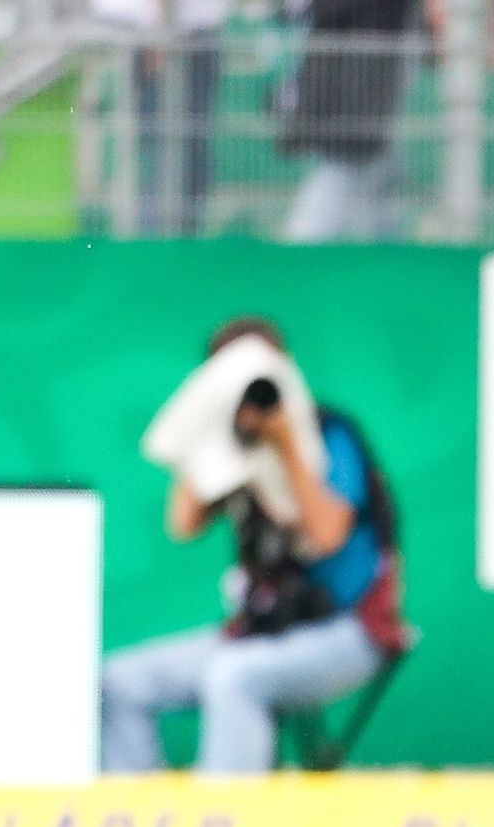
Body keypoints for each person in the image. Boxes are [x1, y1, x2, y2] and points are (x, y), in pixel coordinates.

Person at [102, 318, 409, 772]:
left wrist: (285, 444)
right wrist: (206, 429)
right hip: (260, 630)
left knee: (234, 678)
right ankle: (136, 812)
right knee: (119, 682)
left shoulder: (331, 433)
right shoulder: (228, 449)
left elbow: (327, 536)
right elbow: (183, 525)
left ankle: (227, 815)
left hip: (347, 630)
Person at [279, 0, 442, 242]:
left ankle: (385, 243)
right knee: (347, 158)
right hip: (362, 55)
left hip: (363, 44)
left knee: (381, 161)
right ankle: (302, 248)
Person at [90, 0, 243, 234]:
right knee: (173, 156)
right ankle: (158, 246)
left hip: (178, 24)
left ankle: (172, 243)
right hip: (169, 30)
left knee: (181, 156)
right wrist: (161, 29)